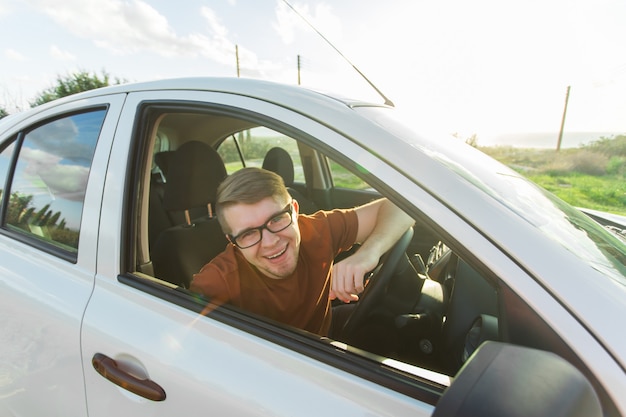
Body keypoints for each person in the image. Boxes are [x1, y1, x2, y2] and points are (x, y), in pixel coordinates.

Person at [190, 167, 414, 337]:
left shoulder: (317, 230)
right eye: (248, 234)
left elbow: (404, 206)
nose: (270, 242)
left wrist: (368, 254)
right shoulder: (215, 283)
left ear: (295, 211)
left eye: (277, 219)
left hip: (320, 345)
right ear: (232, 241)